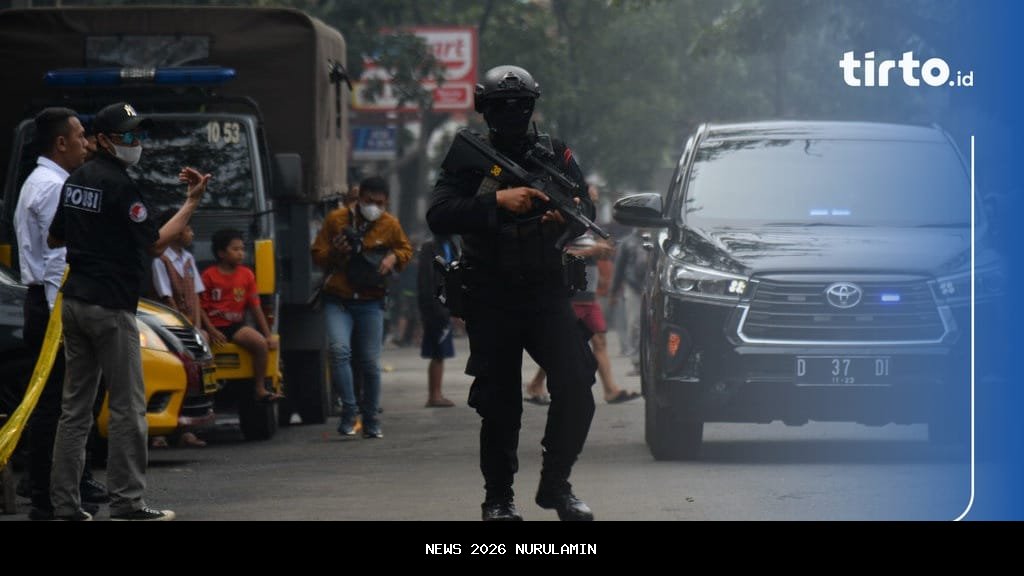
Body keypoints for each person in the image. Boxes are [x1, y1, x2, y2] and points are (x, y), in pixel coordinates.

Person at [428, 65, 598, 521]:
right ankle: (498, 500)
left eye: (521, 105)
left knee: (579, 384)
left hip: (546, 291)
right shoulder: (470, 157)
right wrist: (498, 202)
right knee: (499, 404)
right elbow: (439, 215)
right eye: (503, 106)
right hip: (491, 294)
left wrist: (563, 215)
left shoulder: (554, 154)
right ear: (485, 109)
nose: (513, 113)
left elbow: (586, 205)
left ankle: (556, 485)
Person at [48, 101, 210, 521]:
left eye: (139, 135)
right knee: (127, 409)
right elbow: (155, 243)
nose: (136, 143)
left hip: (75, 302)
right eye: (128, 136)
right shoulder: (121, 185)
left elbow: (55, 238)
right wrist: (191, 202)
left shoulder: (76, 179)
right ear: (102, 139)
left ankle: (64, 504)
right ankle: (127, 502)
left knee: (75, 410)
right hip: (110, 307)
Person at [13, 106, 110, 521]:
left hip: (51, 303)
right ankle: (47, 492)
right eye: (81, 135)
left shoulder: (49, 181)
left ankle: (68, 480)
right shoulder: (53, 187)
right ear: (61, 142)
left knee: (73, 400)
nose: (87, 143)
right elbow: (57, 259)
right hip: (54, 305)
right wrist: (64, 318)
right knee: (60, 404)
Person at [311, 176, 413, 439]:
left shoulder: (390, 224)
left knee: (369, 362)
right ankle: (349, 409)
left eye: (379, 203)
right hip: (339, 299)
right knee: (339, 351)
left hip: (371, 301)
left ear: (386, 202)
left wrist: (393, 257)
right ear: (359, 199)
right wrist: (335, 251)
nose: (374, 206)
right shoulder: (336, 220)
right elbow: (317, 255)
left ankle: (371, 418)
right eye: (369, 201)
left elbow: (406, 249)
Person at [525, 232, 641, 406]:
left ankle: (610, 390)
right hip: (571, 299)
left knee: (600, 342)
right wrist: (591, 251)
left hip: (589, 298)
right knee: (561, 346)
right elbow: (558, 257)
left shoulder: (586, 226)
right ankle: (536, 384)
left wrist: (601, 251)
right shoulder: (564, 226)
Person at [200, 228, 281, 403]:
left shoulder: (247, 275)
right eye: (235, 249)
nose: (240, 253)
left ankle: (259, 388)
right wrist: (211, 330)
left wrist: (267, 335)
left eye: (242, 249)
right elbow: (201, 307)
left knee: (259, 344)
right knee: (201, 346)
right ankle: (205, 392)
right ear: (221, 253)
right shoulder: (208, 276)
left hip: (234, 326)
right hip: (211, 325)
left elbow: (255, 307)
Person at [149, 209, 207, 448]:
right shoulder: (160, 260)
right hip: (170, 329)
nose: (191, 233)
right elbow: (166, 298)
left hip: (190, 327)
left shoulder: (188, 259)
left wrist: (201, 329)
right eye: (187, 228)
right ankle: (160, 433)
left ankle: (187, 428)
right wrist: (183, 326)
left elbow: (195, 295)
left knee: (196, 378)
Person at [417, 235, 460, 408]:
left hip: (445, 305)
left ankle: (436, 393)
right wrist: (435, 307)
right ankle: (434, 395)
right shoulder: (430, 246)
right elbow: (426, 281)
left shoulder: (450, 244)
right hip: (436, 307)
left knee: (440, 351)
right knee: (438, 352)